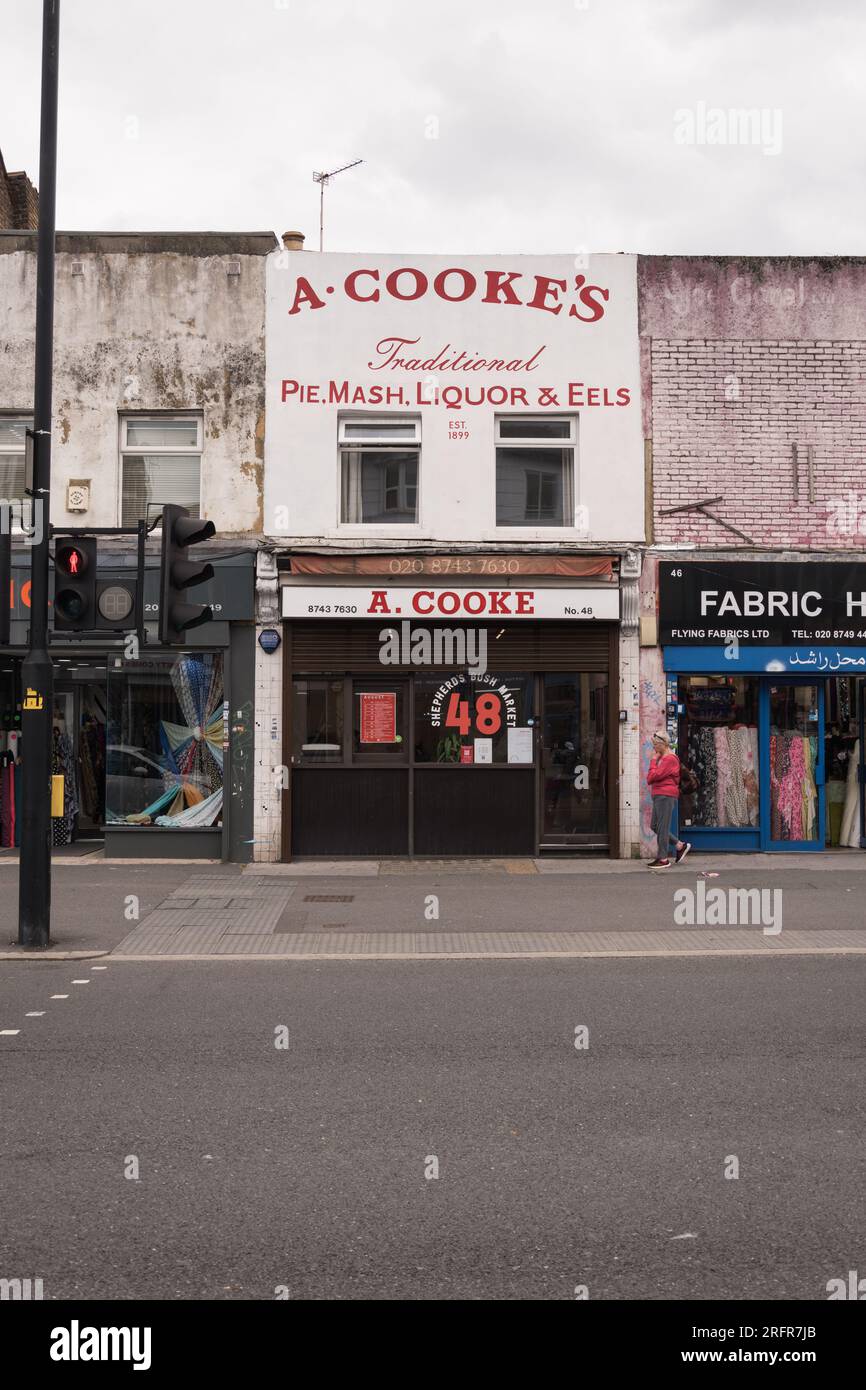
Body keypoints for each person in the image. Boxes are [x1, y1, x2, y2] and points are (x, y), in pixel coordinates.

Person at [647, 730, 691, 868]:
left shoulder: (669, 759)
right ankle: (679, 845)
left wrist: (653, 761)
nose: (654, 747)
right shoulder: (664, 758)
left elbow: (651, 778)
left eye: (655, 744)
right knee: (655, 826)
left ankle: (663, 859)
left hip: (665, 796)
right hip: (660, 795)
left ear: (663, 744)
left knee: (662, 827)